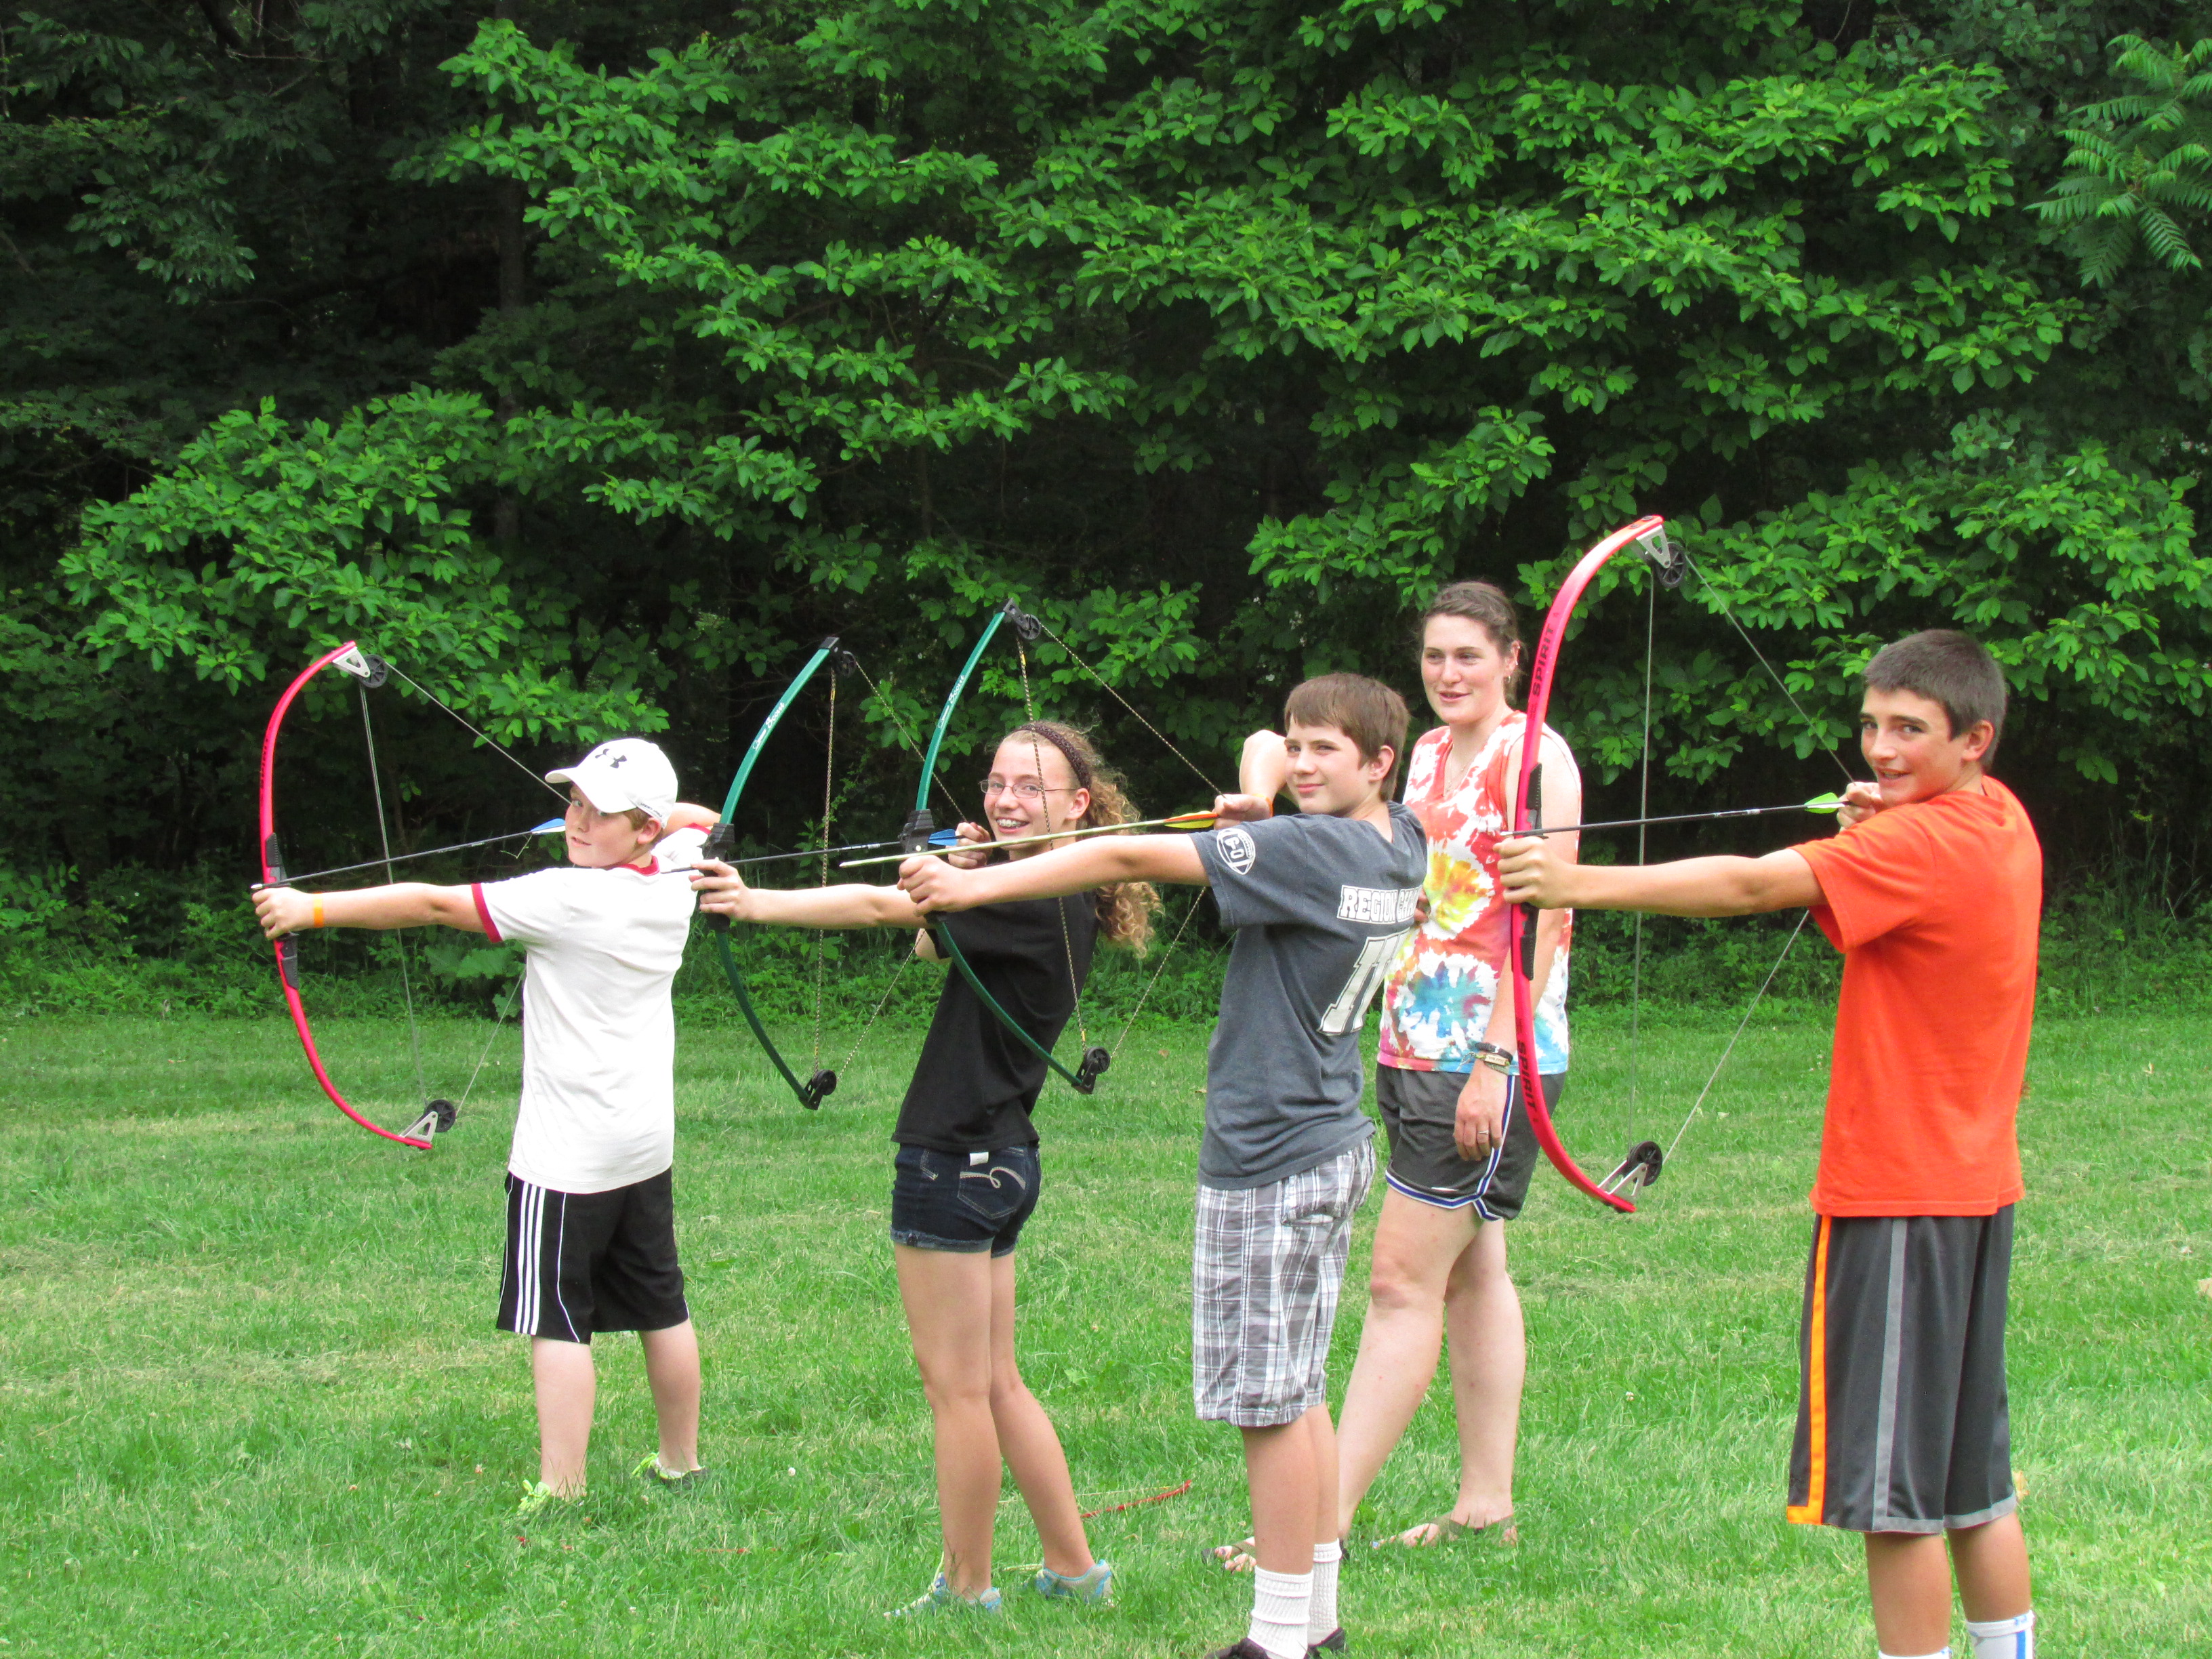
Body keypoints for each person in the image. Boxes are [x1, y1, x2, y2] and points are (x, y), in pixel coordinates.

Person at [1498, 630, 2039, 1659]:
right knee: (1973, 1482)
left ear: (1977, 739)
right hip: (1972, 1193)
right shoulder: (1997, 818)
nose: (1880, 749)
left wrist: (1572, 885)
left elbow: (1753, 885)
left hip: (1898, 1199)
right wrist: (1896, 806)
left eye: (1910, 731)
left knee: (1895, 1498)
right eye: (1873, 724)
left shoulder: (1918, 845)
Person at [899, 674, 1427, 1659]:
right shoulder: (1402, 841)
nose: (1301, 762)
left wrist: (971, 882)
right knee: (1302, 1390)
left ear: (1380, 763)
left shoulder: (1306, 848)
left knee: (1266, 1410)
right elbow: (1266, 745)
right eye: (1301, 748)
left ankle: (1273, 1640)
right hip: (1332, 1140)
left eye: (1328, 752)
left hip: (1269, 1157)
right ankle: (1316, 1623)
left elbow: (1134, 850)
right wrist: (1268, 793)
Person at [691, 721, 1148, 1616]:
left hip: (954, 1158)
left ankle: (969, 1589)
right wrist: (967, 878)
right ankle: (1073, 1569)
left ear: (1078, 805)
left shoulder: (1022, 900)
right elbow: (934, 945)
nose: (1006, 800)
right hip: (1005, 1157)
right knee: (998, 1382)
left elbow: (885, 913)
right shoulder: (1052, 893)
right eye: (996, 781)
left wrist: (752, 903)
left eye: (1031, 788)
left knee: (958, 1393)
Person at [252, 737, 720, 1513]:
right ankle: (681, 1462)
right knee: (660, 1303)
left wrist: (312, 908)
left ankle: (562, 1488)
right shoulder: (676, 872)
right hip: (642, 1142)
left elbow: (436, 903)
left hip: (566, 1156)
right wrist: (658, 824)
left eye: (598, 814)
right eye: (574, 802)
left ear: (642, 827)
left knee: (558, 1321)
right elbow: (701, 819)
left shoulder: (570, 897)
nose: (576, 820)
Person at [1279, 579, 1580, 1553]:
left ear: (1508, 657)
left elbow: (1543, 916)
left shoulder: (1536, 756)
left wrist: (1496, 1058)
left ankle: (1320, 1525)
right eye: (1435, 656)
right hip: (1412, 1041)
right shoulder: (1427, 756)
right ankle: (1486, 1501)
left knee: (1401, 1283)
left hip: (1484, 1057)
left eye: (1468, 656)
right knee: (1472, 1272)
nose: (1449, 674)